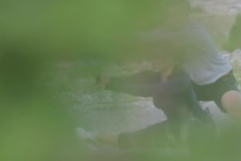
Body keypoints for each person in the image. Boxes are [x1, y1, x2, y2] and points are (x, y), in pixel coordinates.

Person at [77, 56, 213, 150]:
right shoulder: (154, 76)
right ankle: (94, 138)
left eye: (159, 56)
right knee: (135, 139)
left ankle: (94, 139)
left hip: (198, 129)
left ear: (173, 59)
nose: (153, 59)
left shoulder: (181, 78)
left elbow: (152, 90)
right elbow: (132, 80)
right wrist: (108, 81)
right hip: (176, 127)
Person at [139, 0, 241, 118]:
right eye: (168, 16)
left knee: (233, 104)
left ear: (186, 15)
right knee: (166, 98)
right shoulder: (165, 30)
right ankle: (201, 119)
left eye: (175, 15)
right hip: (193, 83)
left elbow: (159, 38)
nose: (170, 19)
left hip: (220, 80)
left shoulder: (194, 32)